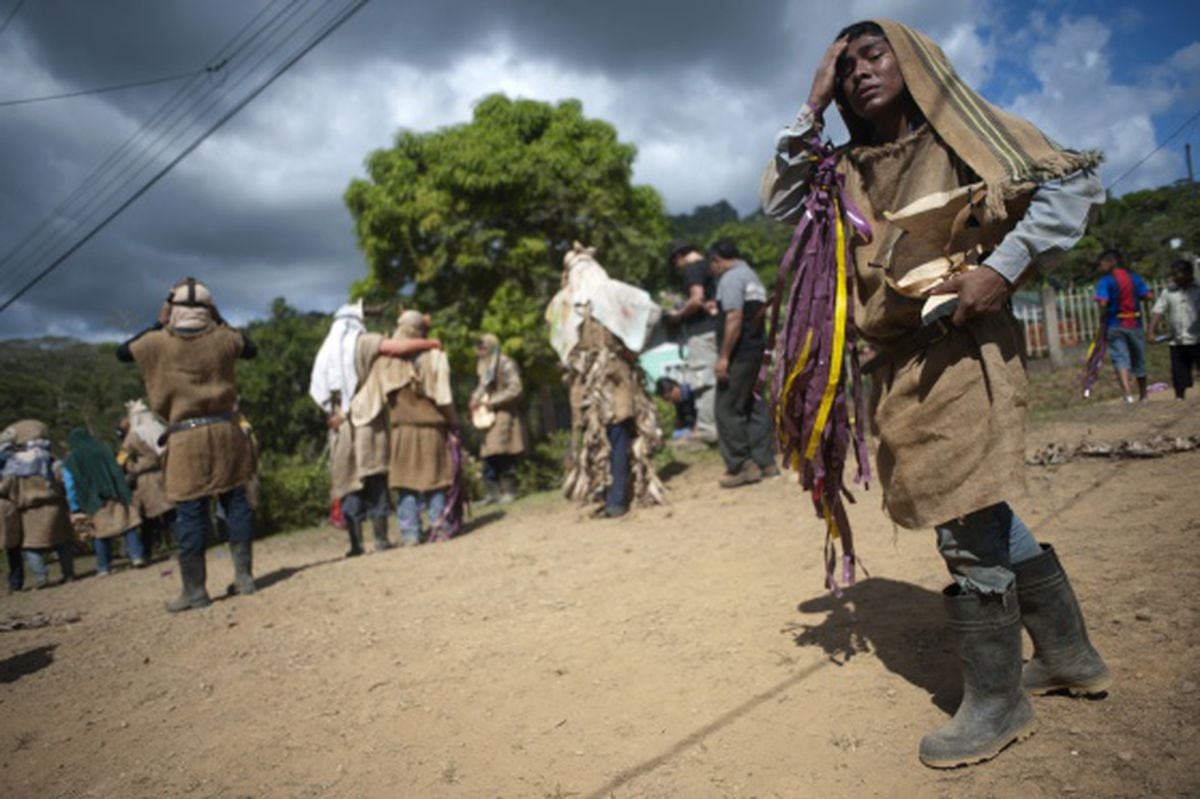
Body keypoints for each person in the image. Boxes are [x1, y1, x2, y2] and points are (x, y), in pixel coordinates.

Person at [761, 20, 1109, 768]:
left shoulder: (965, 133)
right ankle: (1069, 652)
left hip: (962, 348)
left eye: (874, 53)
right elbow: (781, 206)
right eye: (844, 64)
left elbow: (1073, 181)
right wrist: (808, 107)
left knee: (960, 515)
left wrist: (1002, 268)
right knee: (979, 503)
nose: (858, 71)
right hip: (893, 365)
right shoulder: (839, 165)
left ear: (914, 60)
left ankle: (997, 700)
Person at [117, 277, 258, 612]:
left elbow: (122, 352)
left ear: (172, 311)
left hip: (185, 436)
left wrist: (160, 318)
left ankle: (195, 591)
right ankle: (244, 577)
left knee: (191, 510)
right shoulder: (224, 338)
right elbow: (250, 347)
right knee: (235, 500)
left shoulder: (155, 342)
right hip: (226, 431)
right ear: (210, 310)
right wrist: (219, 317)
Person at [309, 300, 439, 556]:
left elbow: (319, 390)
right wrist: (430, 343)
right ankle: (380, 540)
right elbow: (398, 347)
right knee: (375, 476)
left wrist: (333, 414)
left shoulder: (325, 351)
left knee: (350, 482)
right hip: (367, 417)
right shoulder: (363, 341)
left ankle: (356, 545)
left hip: (340, 425)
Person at [547, 242, 666, 517]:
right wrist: (633, 345)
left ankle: (607, 494)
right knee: (618, 431)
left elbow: (557, 342)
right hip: (614, 374)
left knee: (595, 436)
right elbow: (653, 311)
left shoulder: (560, 303)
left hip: (585, 380)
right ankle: (616, 498)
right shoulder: (613, 291)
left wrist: (573, 359)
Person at [354, 310, 461, 545]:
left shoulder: (383, 362)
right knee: (436, 479)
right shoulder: (434, 357)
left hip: (402, 431)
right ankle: (439, 527)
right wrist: (454, 422)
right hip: (432, 429)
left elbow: (367, 400)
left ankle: (410, 533)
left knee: (406, 482)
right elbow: (444, 398)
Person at [708, 239, 777, 487]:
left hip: (739, 353)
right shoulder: (752, 276)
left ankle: (741, 466)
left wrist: (724, 356)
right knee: (754, 405)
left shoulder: (730, 279)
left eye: (712, 265)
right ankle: (766, 462)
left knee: (727, 407)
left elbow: (735, 317)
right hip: (756, 349)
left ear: (717, 260)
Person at [0, 420, 75, 588]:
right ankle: (69, 574)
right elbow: (63, 480)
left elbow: (5, 488)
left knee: (31, 547)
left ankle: (42, 578)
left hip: (30, 511)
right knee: (62, 542)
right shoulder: (51, 460)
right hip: (55, 506)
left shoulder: (15, 465)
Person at [62, 427, 145, 575]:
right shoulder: (103, 449)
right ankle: (136, 556)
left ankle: (104, 566)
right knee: (127, 525)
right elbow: (117, 469)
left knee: (99, 533)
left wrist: (75, 506)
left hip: (93, 500)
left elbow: (70, 485)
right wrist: (124, 491)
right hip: (115, 494)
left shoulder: (71, 460)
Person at [665, 240, 720, 442]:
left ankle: (708, 430)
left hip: (702, 333)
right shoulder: (711, 266)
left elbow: (696, 298)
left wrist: (678, 315)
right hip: (717, 329)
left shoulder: (693, 268)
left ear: (679, 257)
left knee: (703, 380)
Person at [469, 334, 527, 505]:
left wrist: (492, 401)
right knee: (488, 455)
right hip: (487, 415)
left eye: (483, 347)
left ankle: (509, 491)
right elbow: (482, 386)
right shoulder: (484, 366)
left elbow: (516, 388)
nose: (480, 351)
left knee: (504, 452)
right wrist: (474, 400)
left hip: (504, 413)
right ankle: (492, 493)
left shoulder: (505, 363)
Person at [117, 400, 175, 560]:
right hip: (164, 474)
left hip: (145, 480)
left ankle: (146, 551)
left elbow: (121, 459)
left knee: (148, 519)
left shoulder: (133, 436)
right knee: (171, 513)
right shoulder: (160, 428)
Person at [1094, 249, 1154, 403]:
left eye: (1102, 263)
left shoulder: (1105, 281)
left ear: (1111, 262)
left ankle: (1127, 394)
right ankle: (1143, 395)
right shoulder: (1135, 278)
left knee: (1120, 358)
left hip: (1115, 324)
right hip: (1135, 323)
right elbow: (1148, 296)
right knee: (1139, 358)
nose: (1100, 267)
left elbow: (1102, 302)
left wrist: (1103, 314)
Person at [1148, 259, 1200, 399]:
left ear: (1187, 274)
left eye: (1177, 274)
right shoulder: (1168, 292)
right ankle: (1179, 399)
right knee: (1179, 374)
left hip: (1197, 339)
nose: (1174, 278)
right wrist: (1151, 331)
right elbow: (1158, 311)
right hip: (1177, 340)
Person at [1, 431, 24, 593]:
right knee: (13, 546)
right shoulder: (16, 459)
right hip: (10, 505)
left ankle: (14, 582)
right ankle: (16, 582)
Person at [654, 376, 698, 441]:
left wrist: (694, 434)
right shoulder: (678, 402)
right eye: (666, 400)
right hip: (689, 430)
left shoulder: (692, 393)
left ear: (675, 389)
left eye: (669, 398)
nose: (669, 403)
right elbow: (680, 422)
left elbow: (701, 419)